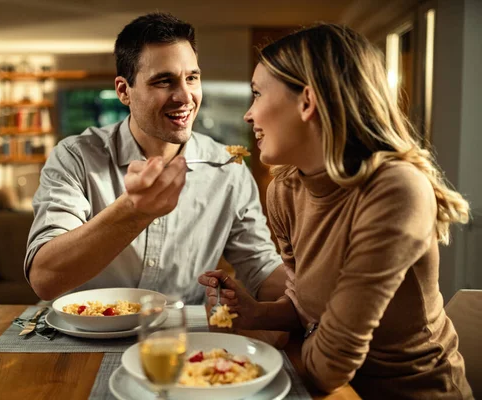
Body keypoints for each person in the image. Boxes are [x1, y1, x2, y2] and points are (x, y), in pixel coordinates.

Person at [199, 23, 473, 399]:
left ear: (307, 102)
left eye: (257, 94)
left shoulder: (395, 190)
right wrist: (255, 313)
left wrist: (305, 336)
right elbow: (305, 305)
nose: (249, 115)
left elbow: (329, 367)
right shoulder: (284, 189)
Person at [24, 12, 285, 305]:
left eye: (192, 78)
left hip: (181, 341)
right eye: (164, 81)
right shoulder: (75, 157)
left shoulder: (228, 169)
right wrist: (133, 211)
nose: (185, 97)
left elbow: (260, 269)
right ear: (124, 91)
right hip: (84, 341)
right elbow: (44, 279)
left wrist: (322, 296)